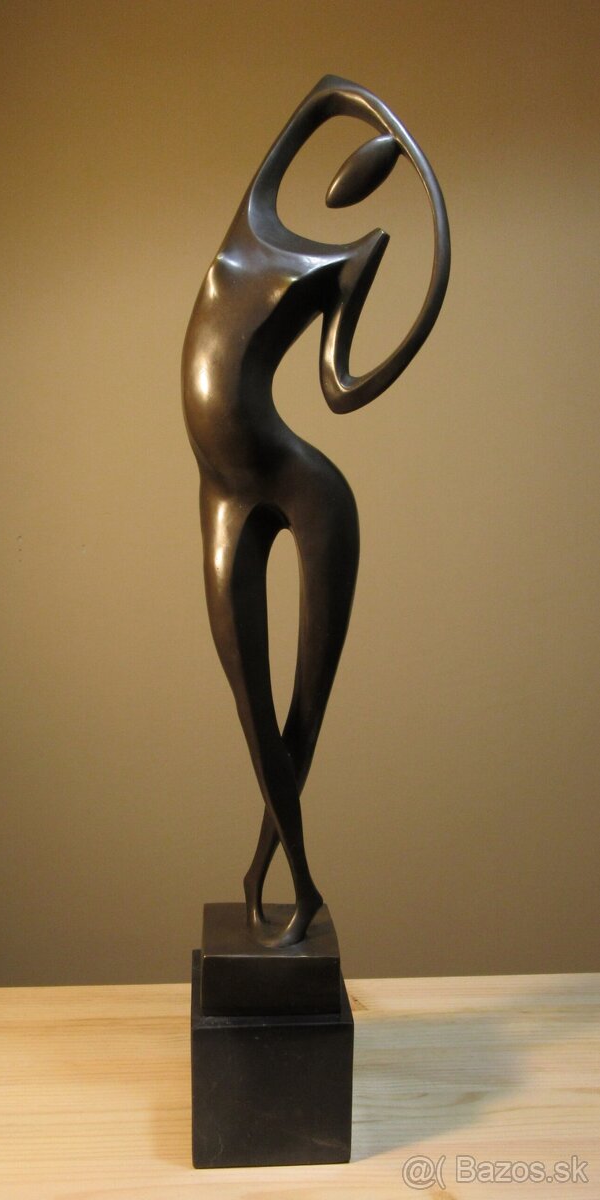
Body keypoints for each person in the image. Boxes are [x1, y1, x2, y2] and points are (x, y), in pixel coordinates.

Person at [182, 75, 450, 947]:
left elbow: (339, 388)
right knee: (247, 700)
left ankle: (291, 880)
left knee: (303, 704)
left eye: (359, 171)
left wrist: (423, 308)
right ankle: (268, 874)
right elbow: (327, 94)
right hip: (221, 488)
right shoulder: (248, 220)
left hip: (303, 485)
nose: (341, 184)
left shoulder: (356, 258)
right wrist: (390, 131)